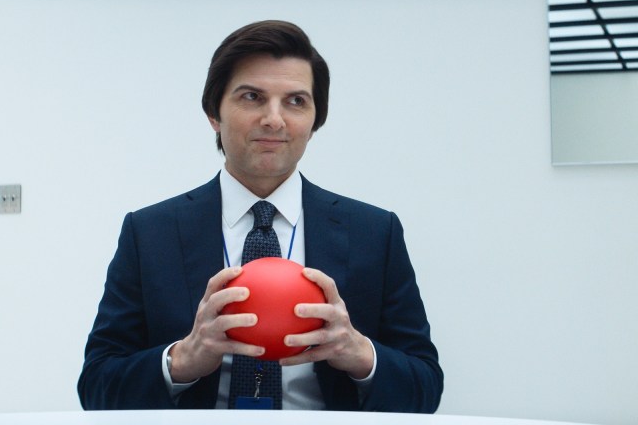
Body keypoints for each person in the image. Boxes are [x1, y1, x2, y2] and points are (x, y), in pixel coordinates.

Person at [77, 20, 443, 412]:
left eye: (296, 101)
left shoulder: (375, 232)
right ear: (213, 113)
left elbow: (425, 388)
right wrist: (181, 360)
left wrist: (359, 354)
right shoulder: (149, 233)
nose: (274, 119)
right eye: (252, 97)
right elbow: (97, 388)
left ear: (316, 121)